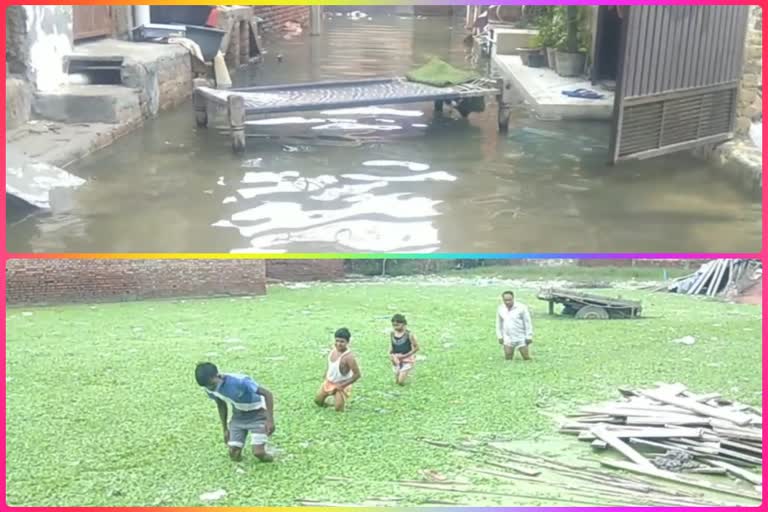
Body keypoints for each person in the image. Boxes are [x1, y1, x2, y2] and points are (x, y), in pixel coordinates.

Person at [195, 362, 275, 462]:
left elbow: (267, 394)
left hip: (258, 414)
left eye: (212, 385)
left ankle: (274, 457)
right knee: (233, 454)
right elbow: (221, 405)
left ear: (217, 375)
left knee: (258, 453)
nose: (211, 389)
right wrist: (225, 429)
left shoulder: (240, 381)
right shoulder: (209, 388)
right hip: (239, 416)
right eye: (207, 387)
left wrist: (270, 420)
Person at [315, 328, 361, 412]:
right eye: (337, 341)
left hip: (341, 384)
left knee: (338, 410)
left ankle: (341, 399)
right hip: (329, 381)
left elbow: (357, 375)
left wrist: (342, 385)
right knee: (318, 402)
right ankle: (331, 401)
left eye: (342, 342)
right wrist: (326, 374)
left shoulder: (349, 357)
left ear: (347, 342)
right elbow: (330, 365)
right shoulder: (332, 351)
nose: (338, 344)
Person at [496, 290, 534, 361]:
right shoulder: (501, 308)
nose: (508, 302)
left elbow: (527, 323)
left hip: (521, 336)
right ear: (503, 300)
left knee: (526, 358)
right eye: (505, 300)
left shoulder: (521, 307)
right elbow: (499, 323)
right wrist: (500, 336)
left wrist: (529, 336)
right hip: (508, 337)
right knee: (508, 358)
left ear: (513, 298)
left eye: (509, 300)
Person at [389, 314, 420, 386]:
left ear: (403, 324)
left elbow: (416, 348)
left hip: (407, 359)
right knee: (396, 381)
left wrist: (405, 356)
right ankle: (403, 374)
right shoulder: (392, 333)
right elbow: (392, 345)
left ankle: (406, 374)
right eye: (394, 325)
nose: (395, 327)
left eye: (397, 325)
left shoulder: (409, 334)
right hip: (396, 358)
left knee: (400, 382)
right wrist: (391, 354)